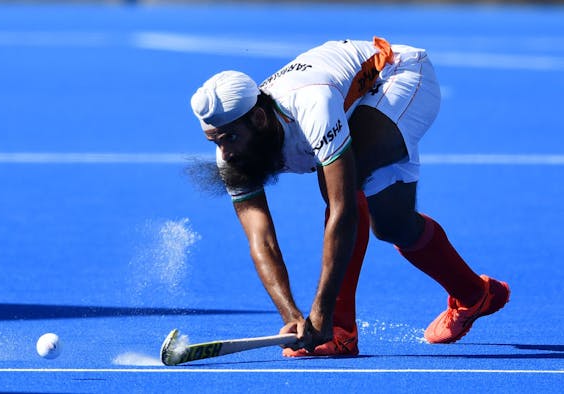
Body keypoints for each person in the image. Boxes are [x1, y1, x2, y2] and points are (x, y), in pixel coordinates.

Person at [190, 37, 510, 357]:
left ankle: (341, 330)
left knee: (343, 181)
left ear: (259, 119)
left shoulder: (311, 105)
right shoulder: (230, 150)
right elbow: (261, 239)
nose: (225, 153)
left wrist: (322, 314)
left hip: (397, 78)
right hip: (353, 97)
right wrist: (293, 317)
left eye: (230, 139)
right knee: (392, 226)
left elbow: (342, 209)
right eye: (215, 142)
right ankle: (475, 294)